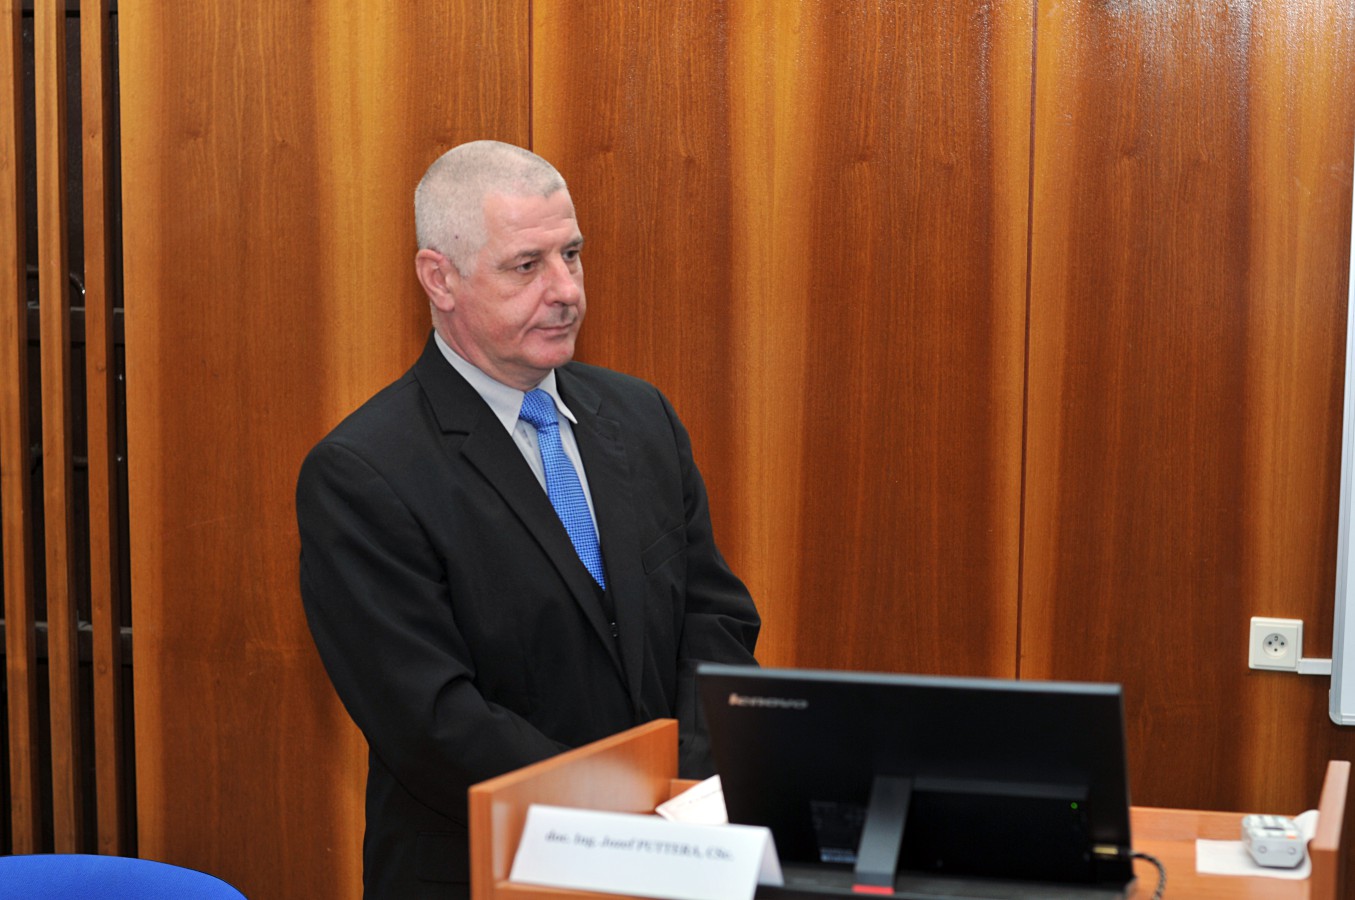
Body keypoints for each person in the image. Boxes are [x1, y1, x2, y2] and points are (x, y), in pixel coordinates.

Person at [295, 140, 761, 899]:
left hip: (674, 851)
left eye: (571, 254)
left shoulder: (641, 416)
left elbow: (715, 620)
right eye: (526, 265)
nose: (566, 289)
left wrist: (685, 800)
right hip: (487, 870)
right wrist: (622, 821)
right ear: (439, 278)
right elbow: (433, 722)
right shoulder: (363, 473)